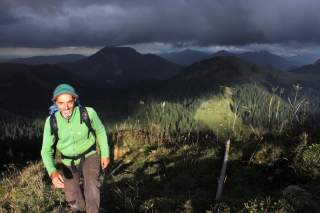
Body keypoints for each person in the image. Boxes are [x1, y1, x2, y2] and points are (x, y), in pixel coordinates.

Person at [41, 83, 110, 213]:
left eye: (69, 102)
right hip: (68, 161)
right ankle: (82, 210)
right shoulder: (51, 122)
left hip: (90, 154)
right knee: (71, 195)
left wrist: (105, 153)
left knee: (91, 186)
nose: (66, 107)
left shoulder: (87, 113)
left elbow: (100, 130)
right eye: (61, 103)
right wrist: (53, 173)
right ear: (55, 103)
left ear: (75, 100)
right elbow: (46, 150)